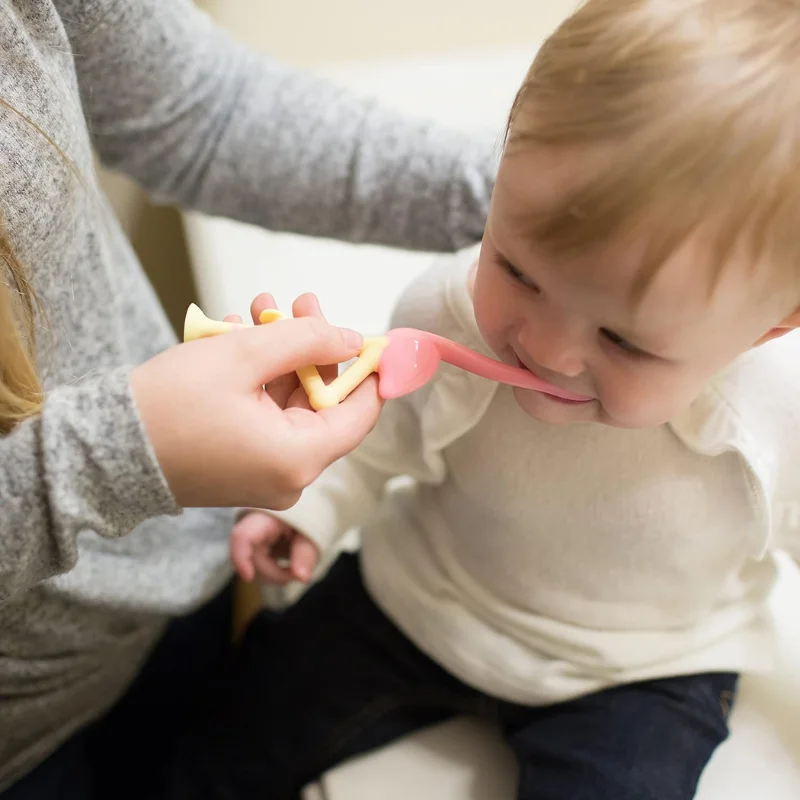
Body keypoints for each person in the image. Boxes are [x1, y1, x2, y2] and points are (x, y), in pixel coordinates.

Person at [185, 1, 800, 798]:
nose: (543, 348)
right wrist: (312, 507)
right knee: (226, 729)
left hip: (645, 669)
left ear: (770, 327)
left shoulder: (774, 419)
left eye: (623, 340)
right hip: (420, 601)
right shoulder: (445, 317)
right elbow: (379, 432)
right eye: (517, 270)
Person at [0, 0, 496, 796]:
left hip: (170, 593)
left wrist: (541, 202)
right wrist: (125, 454)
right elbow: (391, 451)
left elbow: (200, 110)